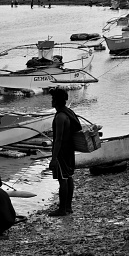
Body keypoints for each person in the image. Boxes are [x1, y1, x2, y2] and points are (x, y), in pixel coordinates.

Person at [48, 88, 82, 216]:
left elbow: (58, 140)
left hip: (62, 151)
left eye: (52, 99)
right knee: (68, 177)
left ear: (56, 101)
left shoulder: (60, 117)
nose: (51, 101)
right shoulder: (69, 112)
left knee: (62, 179)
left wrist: (54, 158)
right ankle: (68, 207)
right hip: (70, 150)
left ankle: (62, 209)